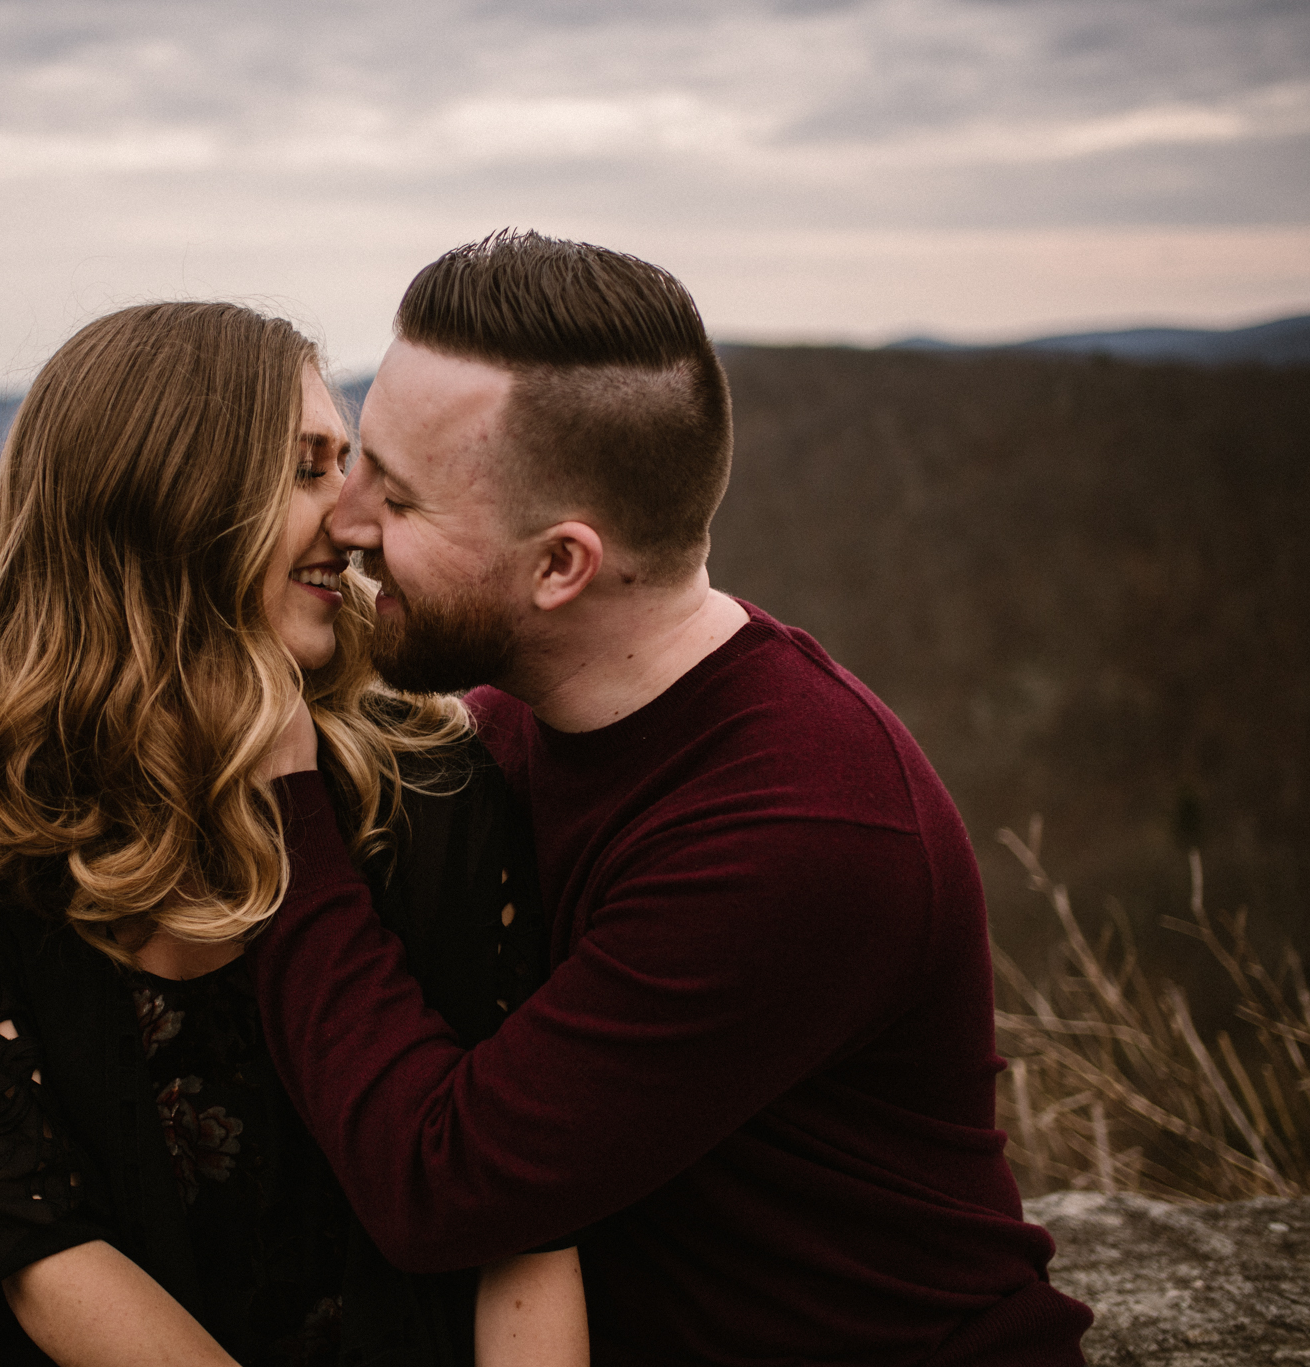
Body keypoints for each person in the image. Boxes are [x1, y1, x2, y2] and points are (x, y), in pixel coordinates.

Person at [249, 232, 1097, 1363]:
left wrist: (285, 809)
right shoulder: (514, 729)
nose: (344, 520)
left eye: (394, 496)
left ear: (562, 565)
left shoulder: (800, 829)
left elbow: (441, 1183)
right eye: (356, 461)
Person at [0, 301, 588, 1367]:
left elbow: (522, 1211)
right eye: (308, 468)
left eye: (349, 465)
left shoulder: (430, 787)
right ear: (168, 503)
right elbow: (42, 1249)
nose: (357, 519)